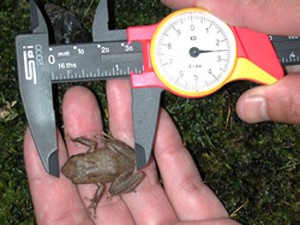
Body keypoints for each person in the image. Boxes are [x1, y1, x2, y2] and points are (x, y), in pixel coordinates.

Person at [23, 0, 300, 224]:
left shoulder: (93, 180)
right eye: (76, 173)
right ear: (82, 169)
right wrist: (86, 141)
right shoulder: (89, 154)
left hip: (121, 164)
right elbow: (96, 143)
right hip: (121, 157)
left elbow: (99, 186)